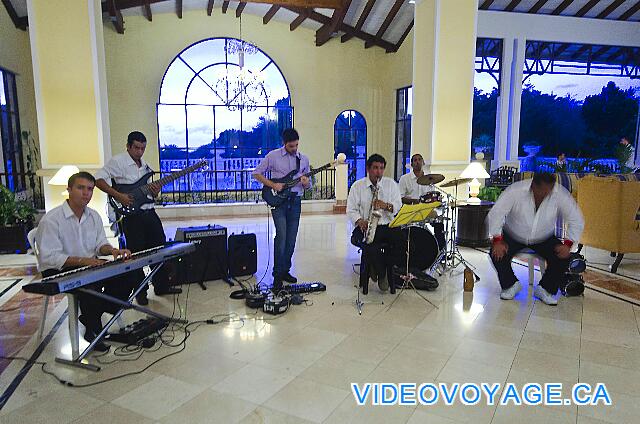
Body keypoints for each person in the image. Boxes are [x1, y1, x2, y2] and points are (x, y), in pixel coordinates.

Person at [36, 172, 133, 352]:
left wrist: (112, 250)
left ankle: (92, 316)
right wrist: (83, 261)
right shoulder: (52, 220)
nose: (86, 193)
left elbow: (99, 245)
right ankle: (93, 328)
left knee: (128, 275)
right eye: (81, 188)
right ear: (69, 190)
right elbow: (49, 258)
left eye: (90, 189)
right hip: (58, 270)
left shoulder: (94, 216)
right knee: (90, 287)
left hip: (88, 265)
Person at [95, 131, 181, 305]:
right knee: (136, 254)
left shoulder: (146, 166)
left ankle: (161, 285)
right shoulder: (118, 162)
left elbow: (150, 194)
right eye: (136, 148)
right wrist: (118, 195)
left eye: (142, 148)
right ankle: (140, 291)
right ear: (128, 146)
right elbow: (98, 179)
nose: (139, 152)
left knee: (160, 249)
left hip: (149, 213)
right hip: (132, 217)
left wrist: (155, 193)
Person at [486, 173, 584, 305]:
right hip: (514, 234)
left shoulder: (559, 194)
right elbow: (496, 213)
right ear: (533, 186)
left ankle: (545, 289)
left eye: (549, 189)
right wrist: (498, 240)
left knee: (563, 257)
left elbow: (576, 219)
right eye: (542, 190)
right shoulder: (515, 191)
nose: (546, 193)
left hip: (544, 236)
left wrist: (567, 244)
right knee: (496, 253)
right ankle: (510, 285)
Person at [253, 128, 310, 292]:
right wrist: (273, 185)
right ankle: (277, 275)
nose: (294, 149)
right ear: (284, 143)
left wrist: (306, 183)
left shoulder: (303, 159)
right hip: (279, 202)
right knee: (282, 237)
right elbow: (256, 173)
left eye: (297, 146)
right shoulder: (273, 156)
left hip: (296, 201)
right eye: (291, 146)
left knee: (291, 240)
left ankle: (285, 271)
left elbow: (308, 184)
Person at [347, 154, 403, 295]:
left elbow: (398, 205)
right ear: (368, 169)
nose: (379, 172)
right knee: (369, 246)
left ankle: (380, 268)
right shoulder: (357, 186)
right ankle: (381, 273)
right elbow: (351, 209)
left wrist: (386, 205)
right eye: (375, 168)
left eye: (381, 168)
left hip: (387, 225)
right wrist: (360, 221)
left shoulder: (391, 184)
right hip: (367, 226)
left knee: (402, 243)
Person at [398, 153, 446, 249]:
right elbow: (400, 197)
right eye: (415, 160)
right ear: (411, 164)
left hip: (426, 210)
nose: (417, 162)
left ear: (423, 162)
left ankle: (440, 250)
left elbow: (431, 197)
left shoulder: (430, 179)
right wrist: (417, 202)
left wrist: (436, 201)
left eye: (419, 159)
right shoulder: (404, 179)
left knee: (439, 221)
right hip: (410, 210)